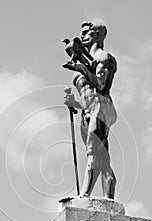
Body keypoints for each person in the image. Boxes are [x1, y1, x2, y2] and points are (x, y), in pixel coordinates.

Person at [63, 21, 118, 199]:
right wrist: (74, 103)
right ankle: (109, 190)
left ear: (98, 35)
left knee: (93, 151)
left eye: (87, 32)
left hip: (101, 107)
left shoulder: (103, 57)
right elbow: (86, 97)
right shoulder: (87, 59)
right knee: (102, 158)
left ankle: (84, 195)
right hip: (88, 111)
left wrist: (82, 69)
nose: (83, 35)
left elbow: (101, 84)